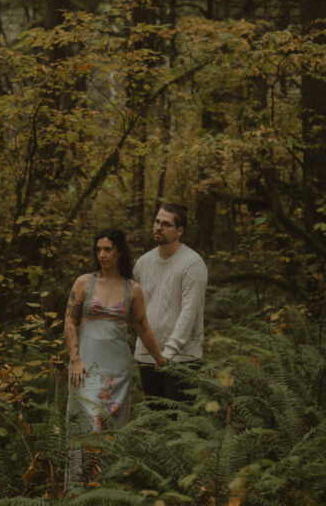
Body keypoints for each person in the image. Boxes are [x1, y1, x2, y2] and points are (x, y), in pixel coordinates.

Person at [64, 227, 166, 486]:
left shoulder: (132, 289)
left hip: (118, 369)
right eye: (98, 249)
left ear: (119, 252)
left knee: (111, 427)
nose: (102, 254)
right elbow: (69, 320)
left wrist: (160, 359)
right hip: (85, 365)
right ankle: (79, 487)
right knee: (88, 423)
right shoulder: (84, 282)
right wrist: (75, 359)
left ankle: (108, 489)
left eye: (107, 249)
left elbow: (142, 327)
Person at [133, 203, 208, 403]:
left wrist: (168, 354)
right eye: (157, 222)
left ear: (180, 230)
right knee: (157, 422)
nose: (158, 227)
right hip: (147, 355)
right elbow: (136, 308)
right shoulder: (142, 263)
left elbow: (189, 313)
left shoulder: (193, 264)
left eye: (166, 224)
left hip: (182, 358)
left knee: (178, 427)